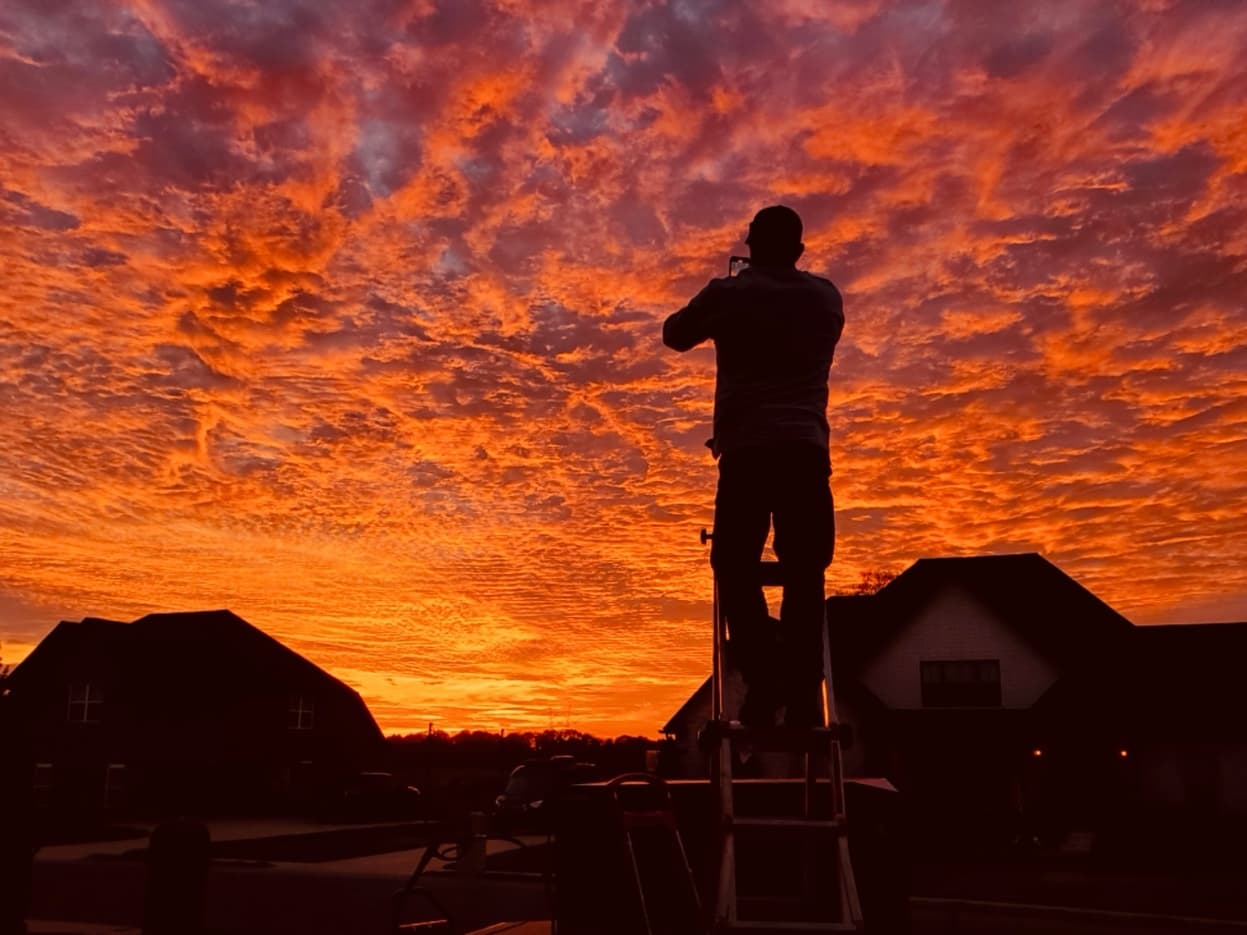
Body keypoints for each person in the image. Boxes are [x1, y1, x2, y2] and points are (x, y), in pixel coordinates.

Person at [663, 205, 844, 728]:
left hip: (747, 452)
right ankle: (805, 699)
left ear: (750, 247)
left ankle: (764, 677)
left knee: (734, 566)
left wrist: (727, 287)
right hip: (806, 451)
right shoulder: (826, 298)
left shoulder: (730, 295)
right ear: (800, 250)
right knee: (805, 572)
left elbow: (675, 334)